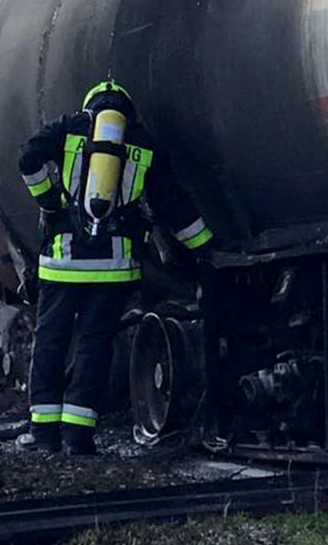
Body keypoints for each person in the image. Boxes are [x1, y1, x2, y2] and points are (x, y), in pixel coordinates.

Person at [16, 80, 214, 454]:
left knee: (51, 343)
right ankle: (78, 437)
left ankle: (43, 436)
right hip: (113, 267)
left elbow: (27, 157)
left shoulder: (68, 127)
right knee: (95, 346)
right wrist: (206, 249)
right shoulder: (143, 143)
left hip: (63, 263)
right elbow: (175, 207)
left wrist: (51, 201)